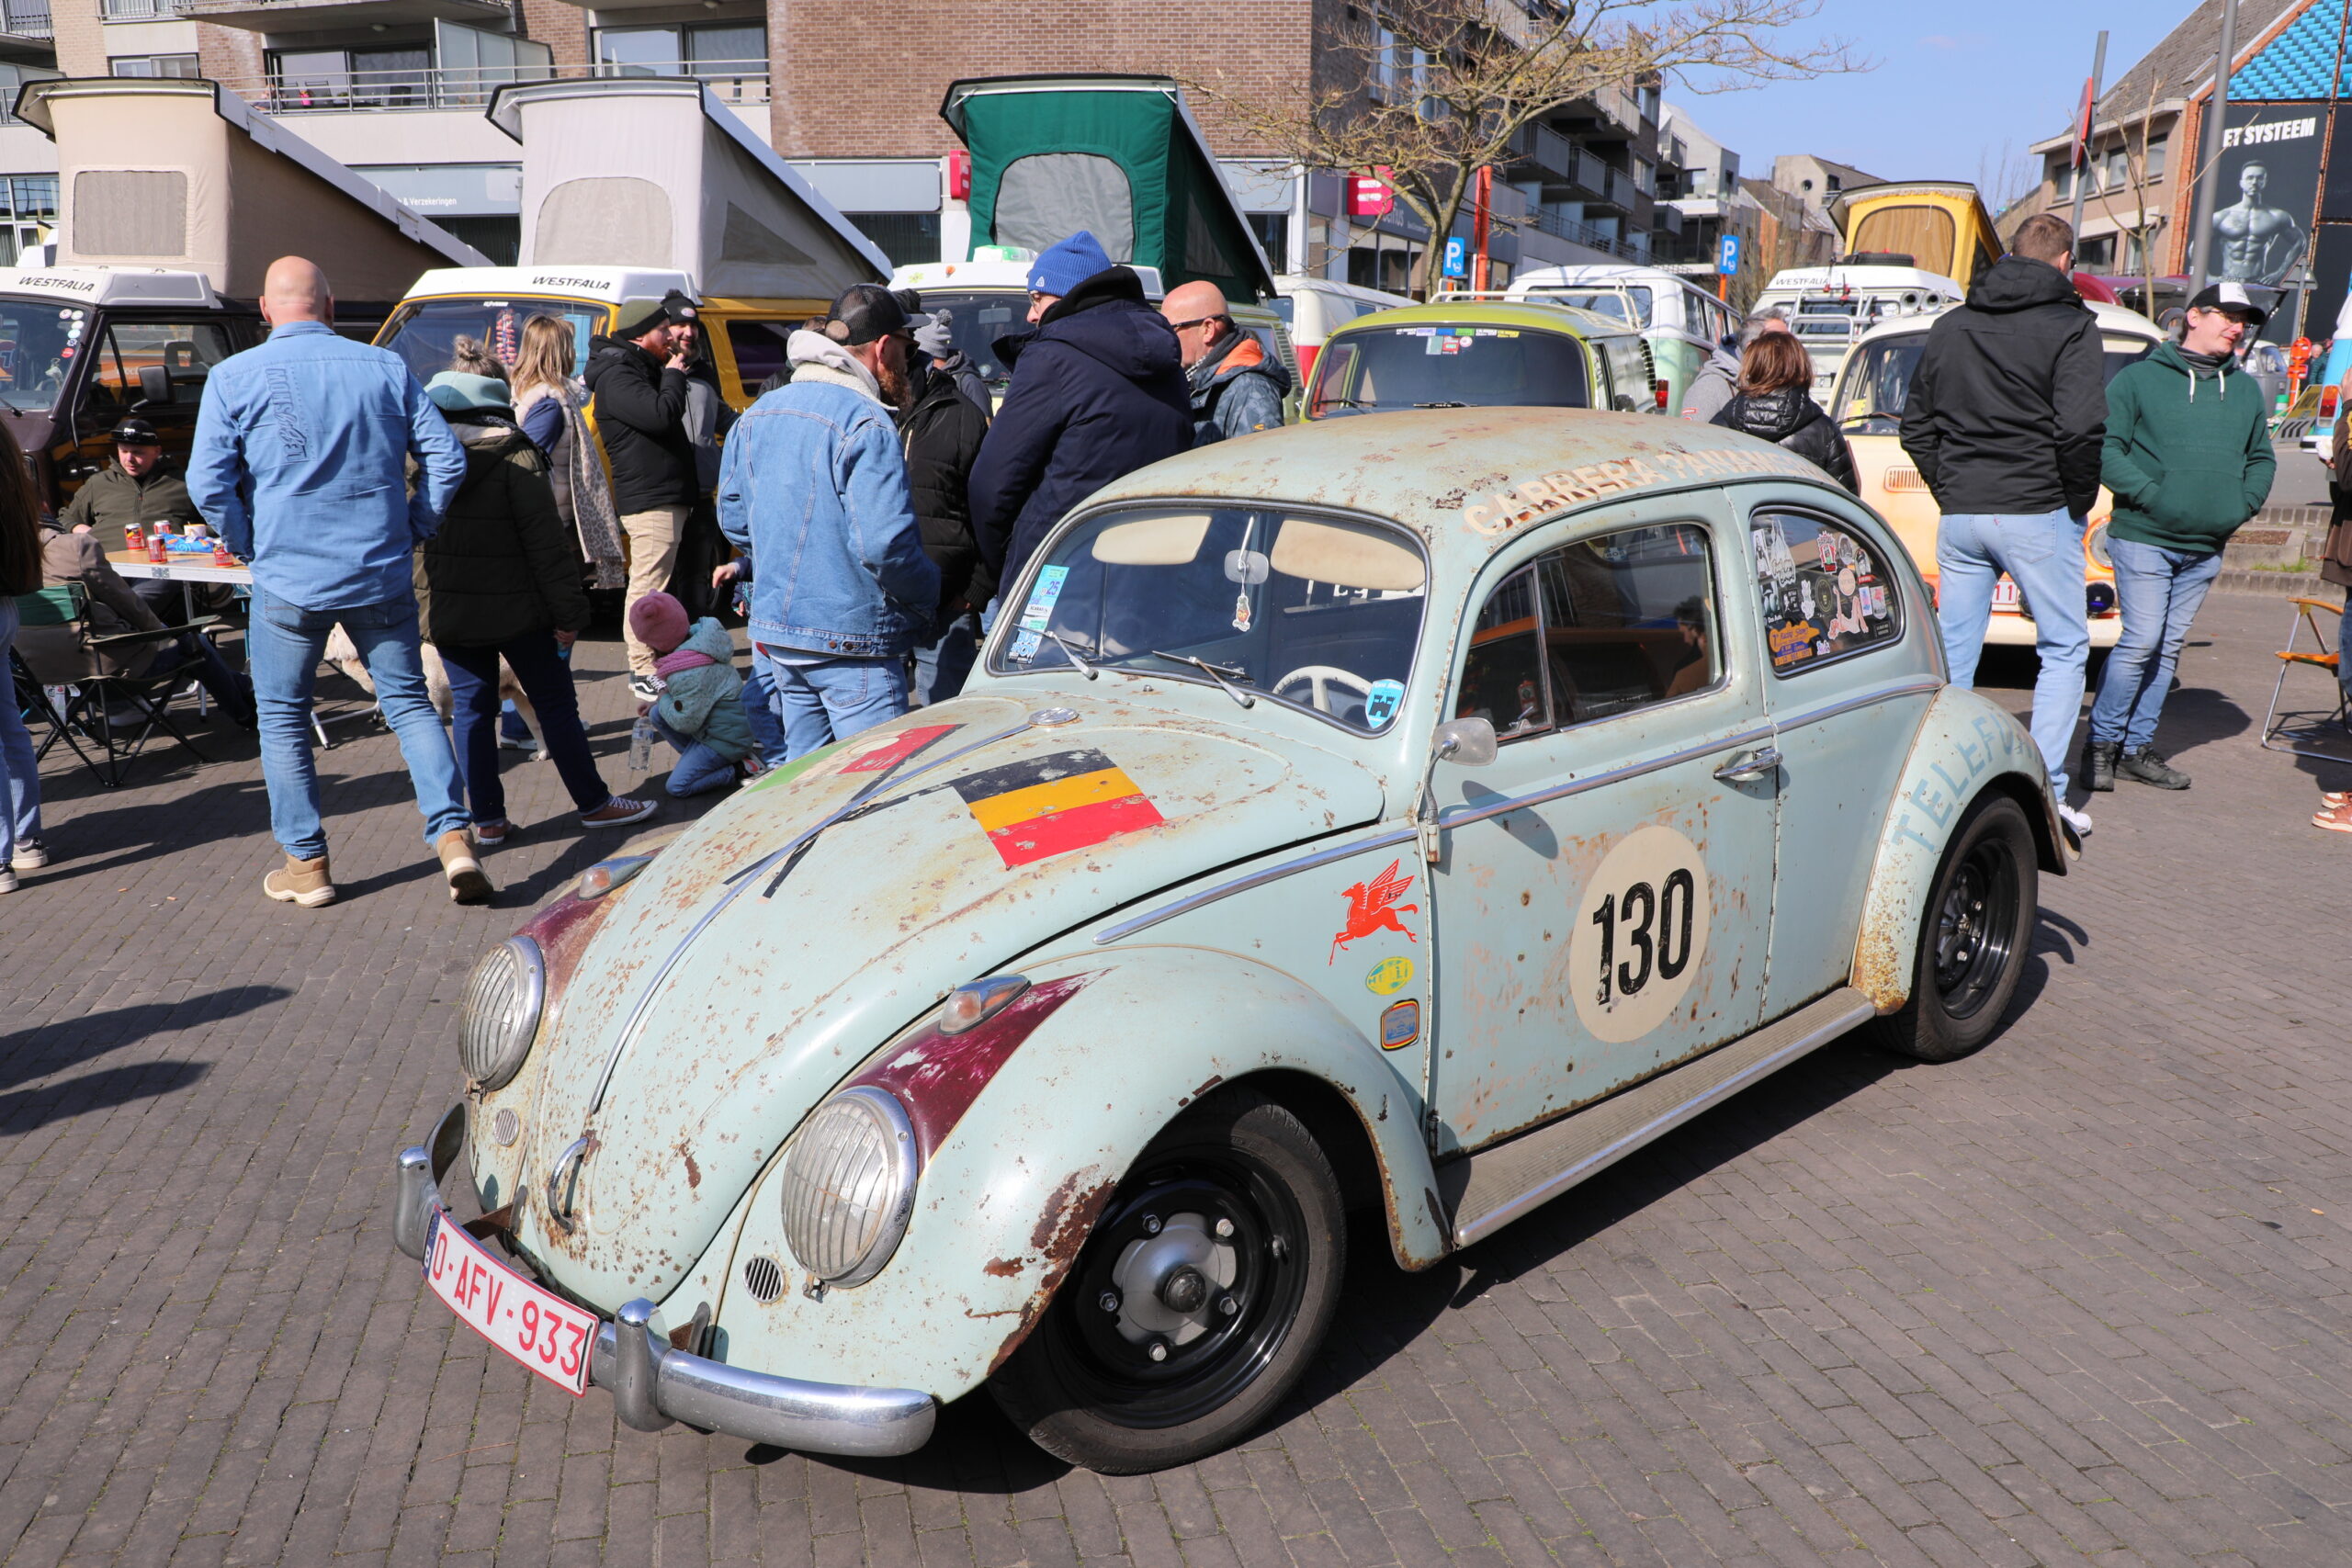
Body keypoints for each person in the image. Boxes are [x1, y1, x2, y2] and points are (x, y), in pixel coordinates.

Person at [186, 255, 484, 908]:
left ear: (265, 310)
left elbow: (206, 482)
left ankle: (307, 864)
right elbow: (447, 458)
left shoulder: (233, 375)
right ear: (330, 305)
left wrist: (247, 542)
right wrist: (417, 524)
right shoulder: (385, 367)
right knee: (410, 703)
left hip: (289, 576)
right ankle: (454, 838)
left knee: (283, 718)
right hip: (379, 568)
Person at [1899, 211, 2105, 837]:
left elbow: (1916, 426)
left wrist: (1952, 489)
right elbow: (2079, 429)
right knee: (2064, 647)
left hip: (1964, 512)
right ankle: (2047, 792)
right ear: (2065, 262)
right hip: (2036, 507)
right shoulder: (2072, 326)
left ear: (2011, 255)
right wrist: (2074, 499)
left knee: (1955, 652)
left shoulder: (1952, 324)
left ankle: (1939, 780)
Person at [412, 369, 657, 842]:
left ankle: (488, 820)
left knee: (472, 711)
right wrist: (570, 615)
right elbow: (547, 548)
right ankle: (594, 804)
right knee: (555, 704)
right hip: (522, 612)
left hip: (450, 613)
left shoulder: (416, 459)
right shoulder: (516, 455)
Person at [717, 283, 938, 759]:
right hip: (853, 640)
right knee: (876, 785)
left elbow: (734, 520)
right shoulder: (867, 421)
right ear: (883, 346)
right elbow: (884, 546)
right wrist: (927, 596)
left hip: (782, 638)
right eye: (906, 346)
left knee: (808, 782)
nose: (908, 360)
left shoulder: (757, 415)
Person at [2085, 282, 2275, 795]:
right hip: (2144, 536)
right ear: (2193, 316)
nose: (2237, 328)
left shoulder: (2243, 390)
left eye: (2243, 321)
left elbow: (2261, 458)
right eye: (2227, 316)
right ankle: (2100, 745)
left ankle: (2135, 750)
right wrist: (2152, 495)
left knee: (2166, 648)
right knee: (2142, 641)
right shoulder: (2139, 380)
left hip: (2205, 547)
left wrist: (2242, 505)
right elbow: (2105, 448)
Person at [968, 230, 1193, 592]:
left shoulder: (1052, 357)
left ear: (1066, 295)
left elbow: (992, 483)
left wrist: (1011, 560)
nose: (1030, 314)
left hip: (1058, 572)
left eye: (1036, 298)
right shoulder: (1169, 360)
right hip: (1150, 573)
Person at [27, 508, 256, 726]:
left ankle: (244, 688)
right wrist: (161, 633)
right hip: (106, 672)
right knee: (193, 642)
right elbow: (126, 603)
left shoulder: (12, 558)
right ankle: (246, 714)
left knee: (181, 641)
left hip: (40, 675)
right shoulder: (75, 546)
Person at [586, 288, 702, 699]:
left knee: (659, 587)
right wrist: (674, 375)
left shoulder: (637, 368)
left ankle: (657, 662)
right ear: (640, 335)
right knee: (648, 589)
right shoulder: (619, 375)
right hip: (651, 499)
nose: (672, 336)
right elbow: (660, 416)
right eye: (663, 330)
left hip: (664, 496)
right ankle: (641, 669)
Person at [894, 291, 994, 705]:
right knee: (882, 727)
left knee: (947, 719)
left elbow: (993, 508)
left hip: (948, 601)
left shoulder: (962, 415)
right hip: (878, 605)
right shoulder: (866, 409)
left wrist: (976, 589)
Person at [509, 313, 626, 590]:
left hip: (549, 520)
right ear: (559, 352)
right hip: (551, 524)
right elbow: (528, 464)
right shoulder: (549, 404)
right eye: (570, 346)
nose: (574, 353)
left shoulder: (536, 398)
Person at [57, 417, 210, 615]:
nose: (129, 459)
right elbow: (64, 518)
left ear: (157, 451)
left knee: (141, 597)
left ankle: (120, 622)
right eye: (124, 451)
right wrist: (78, 528)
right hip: (107, 567)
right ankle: (123, 622)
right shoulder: (99, 483)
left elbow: (217, 523)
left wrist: (194, 536)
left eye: (138, 453)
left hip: (160, 568)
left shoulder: (182, 483)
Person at [628, 592, 759, 795]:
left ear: (655, 642)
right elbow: (688, 701)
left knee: (677, 786)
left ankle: (739, 768)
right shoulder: (697, 643)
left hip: (727, 740)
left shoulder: (688, 672)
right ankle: (700, 761)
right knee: (657, 713)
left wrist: (662, 696)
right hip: (720, 729)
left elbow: (685, 722)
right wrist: (658, 703)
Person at [1709, 331, 1858, 491]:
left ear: (1752, 367)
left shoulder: (1719, 426)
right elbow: (1846, 498)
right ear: (1800, 367)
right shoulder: (1824, 431)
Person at [1161, 279, 1289, 446]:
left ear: (1208, 329)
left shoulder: (1250, 388)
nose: (1164, 338)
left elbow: (1260, 458)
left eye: (1170, 329)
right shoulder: (1192, 382)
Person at [0, 446, 44, 894]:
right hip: (5, 605)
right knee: (10, 728)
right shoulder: (10, 465)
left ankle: (0, 858)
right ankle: (26, 839)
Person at [1682, 308, 1789, 424]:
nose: (1789, 350)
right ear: (1752, 347)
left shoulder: (1776, 387)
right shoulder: (1709, 388)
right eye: (1779, 344)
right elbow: (1691, 434)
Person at [2211, 162, 2307, 289]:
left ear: (2265, 182)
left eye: (2259, 178)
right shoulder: (2222, 216)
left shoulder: (2277, 216)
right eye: (2250, 178)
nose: (2254, 182)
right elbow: (2195, 247)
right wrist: (2207, 277)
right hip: (2227, 281)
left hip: (2257, 282)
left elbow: (2300, 242)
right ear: (2241, 182)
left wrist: (2280, 273)